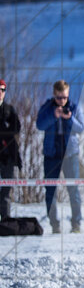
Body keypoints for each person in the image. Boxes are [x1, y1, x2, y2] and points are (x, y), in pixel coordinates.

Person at [36, 80, 84, 233]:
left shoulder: (74, 108)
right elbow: (39, 125)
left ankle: (76, 224)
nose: (62, 101)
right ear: (54, 95)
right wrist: (53, 115)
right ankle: (54, 225)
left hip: (70, 155)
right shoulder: (47, 108)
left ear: (68, 95)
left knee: (73, 190)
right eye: (58, 98)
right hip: (52, 156)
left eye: (64, 97)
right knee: (50, 191)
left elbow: (81, 128)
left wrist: (69, 118)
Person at [0, 79, 22, 220]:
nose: (0, 92)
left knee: (6, 189)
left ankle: (5, 219)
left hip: (7, 156)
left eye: (3, 89)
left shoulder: (9, 109)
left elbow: (16, 128)